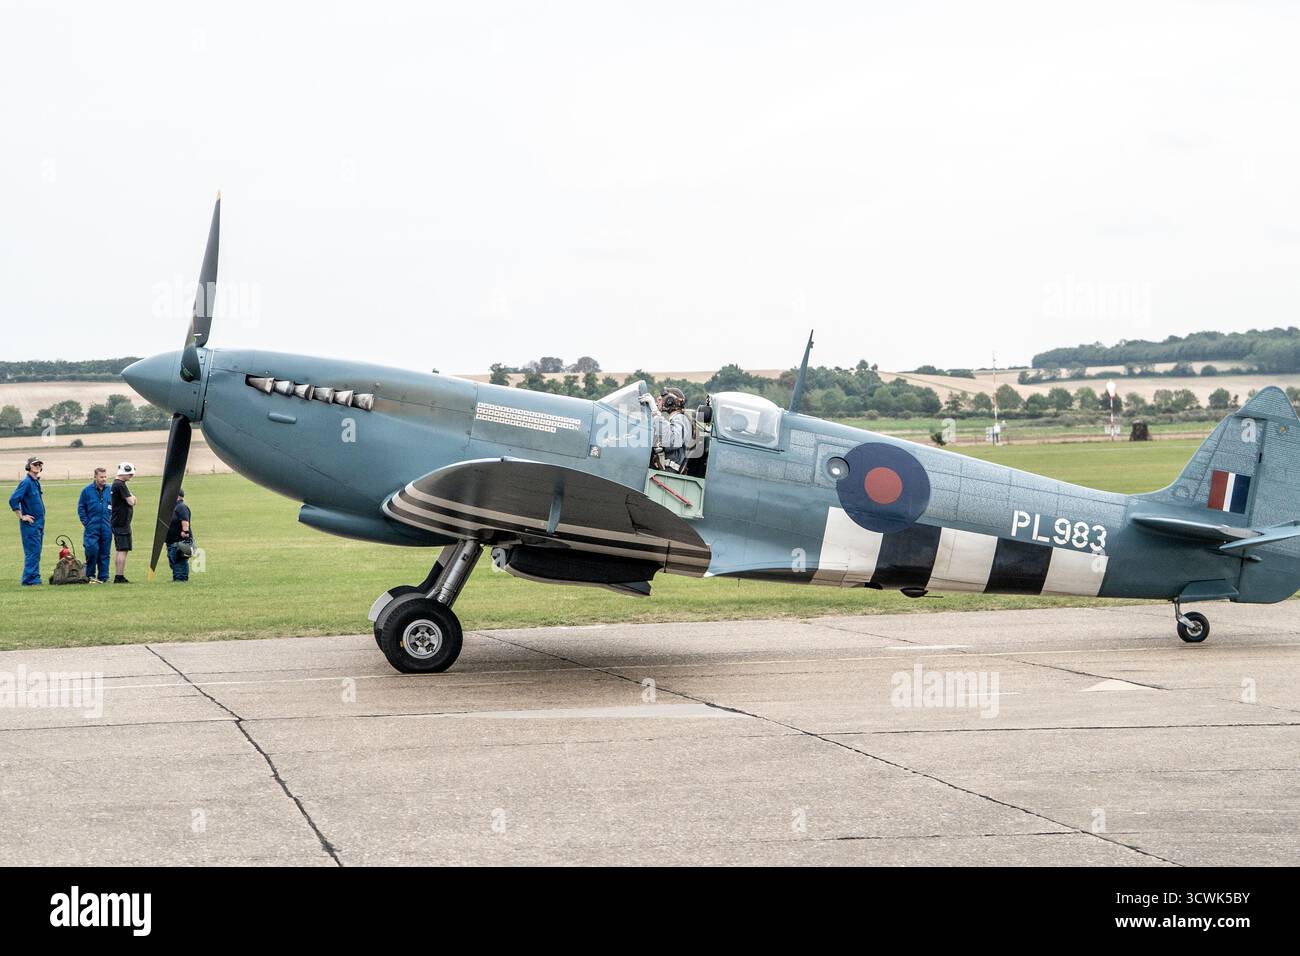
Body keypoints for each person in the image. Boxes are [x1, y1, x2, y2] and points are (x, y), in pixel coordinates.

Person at [9, 457, 45, 586]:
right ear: (29, 466)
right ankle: (30, 579)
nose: (37, 465)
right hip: (30, 524)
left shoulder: (35, 482)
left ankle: (33, 577)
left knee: (37, 551)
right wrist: (22, 516)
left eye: (39, 464)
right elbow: (13, 499)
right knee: (33, 552)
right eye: (34, 464)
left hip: (40, 523)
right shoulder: (26, 482)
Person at [77, 467, 113, 583]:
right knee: (91, 551)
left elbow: (116, 506)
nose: (104, 479)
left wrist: (111, 521)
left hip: (106, 526)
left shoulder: (110, 490)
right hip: (92, 527)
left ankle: (104, 577)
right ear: (95, 477)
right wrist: (86, 523)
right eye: (101, 477)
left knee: (105, 553)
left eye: (105, 476)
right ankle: (90, 576)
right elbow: (81, 508)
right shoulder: (87, 491)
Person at [647, 387, 691, 472]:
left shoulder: (681, 419)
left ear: (670, 401)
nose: (657, 403)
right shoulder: (674, 420)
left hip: (669, 473)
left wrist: (656, 413)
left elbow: (672, 441)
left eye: (660, 400)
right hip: (663, 469)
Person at [110, 462, 137, 583]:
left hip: (118, 522)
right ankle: (119, 576)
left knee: (121, 549)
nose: (131, 476)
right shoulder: (120, 485)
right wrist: (133, 498)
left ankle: (119, 575)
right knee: (122, 550)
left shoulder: (117, 484)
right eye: (130, 474)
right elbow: (131, 501)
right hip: (121, 523)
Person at [165, 488, 194, 582]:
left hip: (179, 541)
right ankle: (177, 578)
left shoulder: (181, 507)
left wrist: (185, 532)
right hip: (172, 541)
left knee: (179, 561)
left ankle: (181, 579)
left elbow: (185, 520)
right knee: (173, 560)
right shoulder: (173, 507)